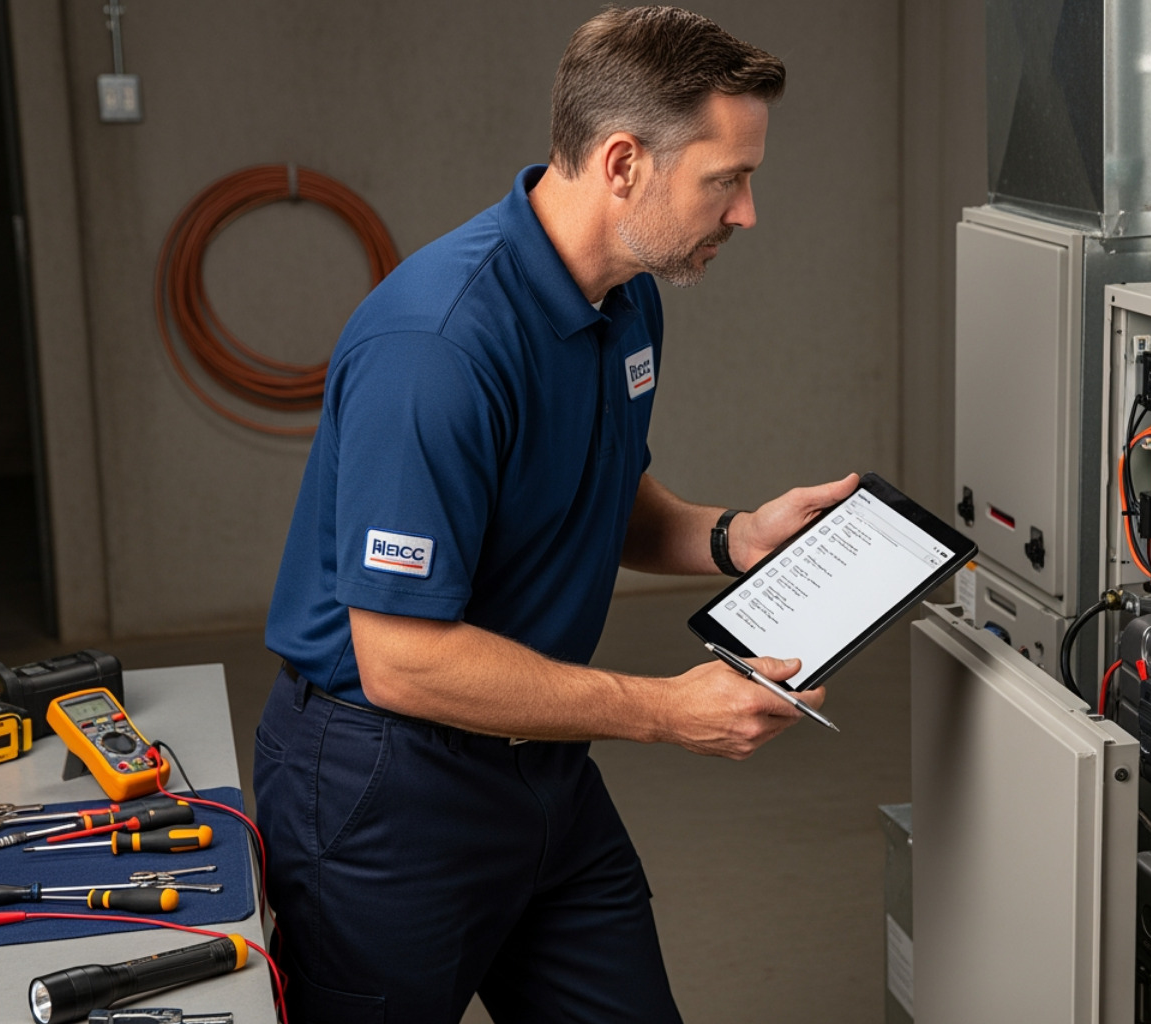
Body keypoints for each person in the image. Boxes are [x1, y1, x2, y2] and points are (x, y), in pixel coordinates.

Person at [253, 7, 857, 1022]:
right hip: (386, 782)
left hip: (543, 768)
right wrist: (668, 710)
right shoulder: (435, 348)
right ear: (624, 162)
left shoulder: (628, 297)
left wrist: (731, 536)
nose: (747, 212)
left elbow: (597, 490)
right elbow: (400, 659)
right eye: (727, 179)